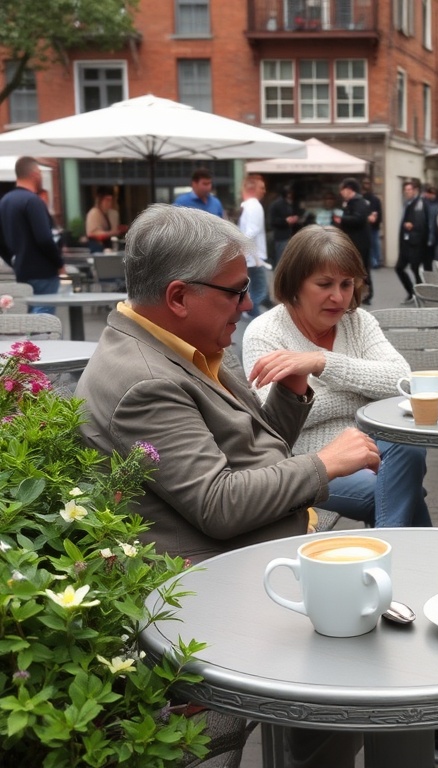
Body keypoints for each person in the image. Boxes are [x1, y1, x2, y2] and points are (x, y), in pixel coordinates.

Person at [74, 204, 381, 564]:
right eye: (236, 291)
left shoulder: (180, 344)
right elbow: (218, 505)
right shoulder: (145, 383)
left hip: (264, 546)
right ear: (178, 298)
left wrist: (291, 390)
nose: (248, 304)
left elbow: (252, 444)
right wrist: (325, 463)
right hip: (231, 571)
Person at [242, 225, 431, 528]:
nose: (338, 297)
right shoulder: (265, 333)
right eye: (324, 284)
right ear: (294, 283)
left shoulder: (358, 322)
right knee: (401, 492)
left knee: (408, 447)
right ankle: (402, 553)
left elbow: (402, 381)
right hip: (308, 461)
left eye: (346, 284)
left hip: (375, 450)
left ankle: (394, 552)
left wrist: (321, 362)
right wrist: (363, 395)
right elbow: (274, 423)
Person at [0, 156, 65, 313]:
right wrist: (59, 264)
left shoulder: (5, 202)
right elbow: (44, 239)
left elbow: (1, 242)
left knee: (30, 317)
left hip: (22, 271)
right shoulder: (33, 201)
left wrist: (14, 262)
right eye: (40, 173)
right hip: (43, 271)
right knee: (44, 317)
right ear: (35, 173)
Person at [334, 177, 374, 305]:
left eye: (342, 189)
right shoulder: (350, 202)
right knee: (355, 268)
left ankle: (366, 293)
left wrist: (342, 219)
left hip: (360, 242)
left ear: (349, 189)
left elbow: (359, 219)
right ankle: (357, 293)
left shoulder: (359, 202)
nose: (341, 192)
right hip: (353, 241)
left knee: (362, 268)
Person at [237, 174, 271, 316]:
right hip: (254, 257)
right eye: (261, 188)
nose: (264, 191)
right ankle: (254, 316)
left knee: (253, 288)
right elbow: (252, 230)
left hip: (249, 256)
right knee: (260, 291)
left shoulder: (246, 206)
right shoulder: (255, 205)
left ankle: (249, 311)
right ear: (252, 189)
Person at [396, 179, 429, 305]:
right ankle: (412, 292)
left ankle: (421, 296)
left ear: (415, 190)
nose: (407, 192)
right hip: (406, 243)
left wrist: (413, 226)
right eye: (406, 190)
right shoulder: (407, 203)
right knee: (399, 268)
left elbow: (422, 223)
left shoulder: (419, 203)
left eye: (409, 190)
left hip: (415, 243)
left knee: (415, 269)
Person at [268, 183, 302, 267]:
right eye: (288, 192)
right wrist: (285, 221)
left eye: (291, 192)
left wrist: (295, 218)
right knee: (281, 260)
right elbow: (272, 221)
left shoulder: (293, 203)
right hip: (281, 237)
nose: (290, 195)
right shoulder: (277, 204)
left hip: (293, 236)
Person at [85, 187, 127, 253]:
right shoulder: (93, 213)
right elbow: (92, 234)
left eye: (111, 200)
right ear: (100, 200)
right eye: (107, 200)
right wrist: (113, 232)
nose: (109, 203)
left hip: (108, 246)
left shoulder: (110, 213)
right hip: (97, 248)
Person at [361, 177, 383, 269]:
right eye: (365, 183)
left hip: (374, 227)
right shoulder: (362, 198)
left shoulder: (375, 199)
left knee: (374, 244)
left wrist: (376, 221)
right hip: (365, 226)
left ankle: (375, 261)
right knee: (369, 245)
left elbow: (378, 213)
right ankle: (371, 261)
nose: (366, 185)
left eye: (368, 183)